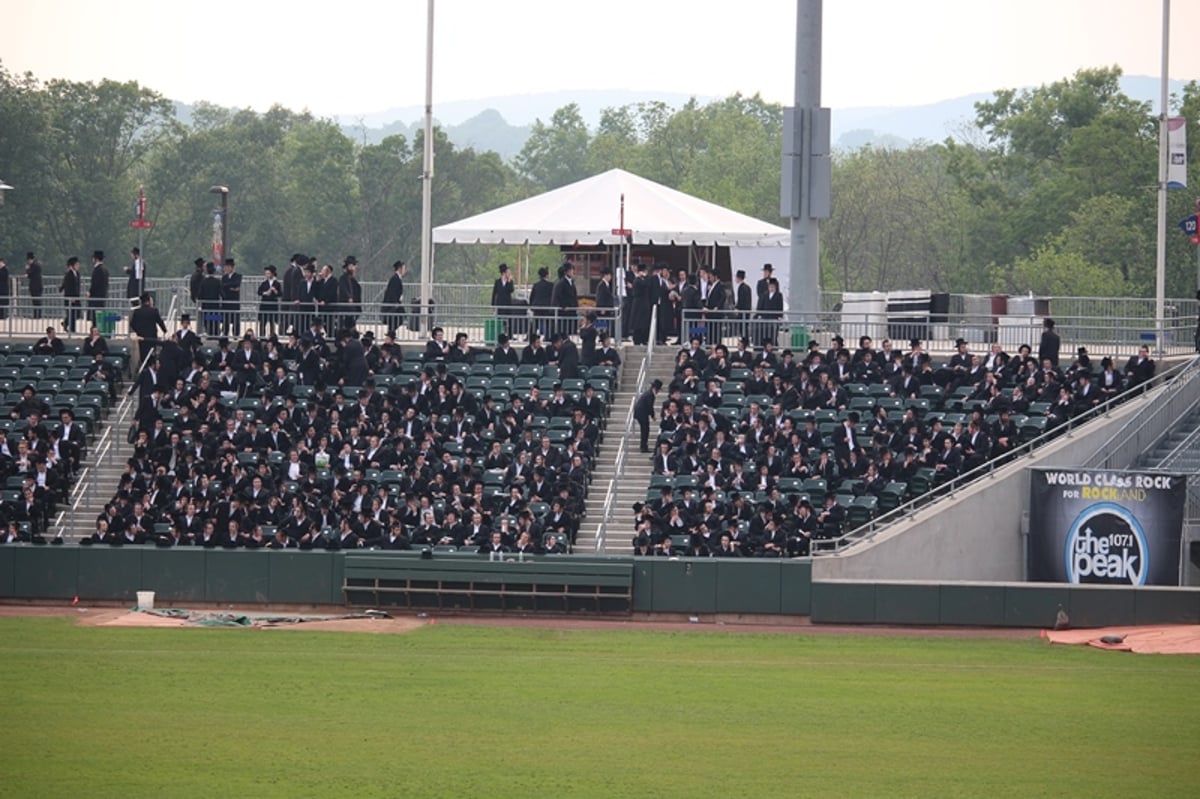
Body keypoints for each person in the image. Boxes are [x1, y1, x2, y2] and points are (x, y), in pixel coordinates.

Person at [130, 292, 167, 369]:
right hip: (152, 337)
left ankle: (144, 368)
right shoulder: (154, 311)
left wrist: (138, 331)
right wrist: (165, 331)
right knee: (151, 354)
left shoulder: (137, 311)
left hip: (141, 337)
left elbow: (132, 323)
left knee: (143, 355)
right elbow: (160, 322)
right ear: (148, 301)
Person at [551, 261, 578, 339]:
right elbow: (558, 297)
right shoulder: (561, 283)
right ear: (567, 271)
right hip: (564, 312)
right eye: (572, 270)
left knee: (571, 331)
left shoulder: (571, 282)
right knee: (564, 331)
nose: (573, 272)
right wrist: (563, 306)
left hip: (572, 311)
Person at [634, 379, 662, 453]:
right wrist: (653, 415)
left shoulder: (648, 393)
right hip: (642, 413)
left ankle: (643, 446)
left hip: (641, 413)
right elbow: (650, 406)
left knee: (645, 429)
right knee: (645, 430)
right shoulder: (650, 395)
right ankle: (643, 446)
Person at [337, 256, 362, 332]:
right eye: (350, 266)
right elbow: (344, 289)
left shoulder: (353, 280)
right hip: (346, 307)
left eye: (353, 266)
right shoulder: (343, 278)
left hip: (353, 307)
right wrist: (349, 298)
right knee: (345, 326)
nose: (352, 268)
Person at [528, 266, 554, 338]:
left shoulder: (536, 285)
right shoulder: (551, 285)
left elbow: (532, 296)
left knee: (535, 323)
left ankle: (530, 336)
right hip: (547, 307)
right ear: (547, 275)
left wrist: (531, 305)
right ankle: (547, 337)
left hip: (537, 306)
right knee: (548, 323)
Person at [199, 262, 223, 336]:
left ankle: (209, 334)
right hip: (215, 307)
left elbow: (199, 295)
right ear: (214, 271)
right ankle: (216, 334)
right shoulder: (218, 282)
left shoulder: (203, 282)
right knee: (215, 322)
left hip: (206, 307)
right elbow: (222, 293)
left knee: (207, 322)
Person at [382, 260, 406, 334]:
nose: (405, 270)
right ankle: (391, 332)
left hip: (396, 302)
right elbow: (392, 292)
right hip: (393, 304)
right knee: (396, 318)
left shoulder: (397, 278)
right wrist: (395, 303)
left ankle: (391, 332)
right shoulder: (395, 278)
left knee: (399, 317)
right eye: (404, 268)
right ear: (399, 268)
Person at [257, 264, 281, 337]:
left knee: (272, 322)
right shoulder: (264, 283)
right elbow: (259, 292)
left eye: (268, 273)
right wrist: (265, 293)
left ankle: (272, 336)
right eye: (266, 273)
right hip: (264, 304)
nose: (267, 275)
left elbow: (280, 294)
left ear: (272, 274)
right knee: (263, 322)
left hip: (273, 304)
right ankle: (262, 336)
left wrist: (275, 291)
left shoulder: (277, 283)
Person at [491, 262, 515, 334]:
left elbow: (511, 290)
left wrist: (509, 281)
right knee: (500, 319)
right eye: (508, 272)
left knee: (509, 320)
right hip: (500, 303)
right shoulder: (497, 282)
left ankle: (509, 334)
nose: (509, 274)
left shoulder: (510, 281)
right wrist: (493, 305)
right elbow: (494, 293)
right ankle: (500, 333)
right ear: (504, 273)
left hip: (508, 303)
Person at [220, 258, 242, 335]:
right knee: (225, 320)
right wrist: (231, 287)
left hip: (234, 301)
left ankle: (236, 334)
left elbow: (236, 284)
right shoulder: (224, 277)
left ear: (232, 267)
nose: (227, 268)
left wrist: (229, 286)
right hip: (226, 300)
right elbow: (222, 286)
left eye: (228, 267)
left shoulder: (238, 276)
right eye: (226, 267)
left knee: (235, 319)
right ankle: (225, 334)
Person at [61, 256, 83, 332]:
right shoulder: (69, 274)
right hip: (70, 297)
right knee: (71, 314)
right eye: (77, 264)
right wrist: (71, 297)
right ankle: (72, 329)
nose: (78, 266)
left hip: (76, 297)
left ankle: (65, 323)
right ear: (72, 265)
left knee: (76, 314)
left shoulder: (77, 274)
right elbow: (68, 287)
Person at [87, 250, 108, 325]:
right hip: (102, 296)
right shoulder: (105, 269)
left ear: (96, 259)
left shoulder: (98, 270)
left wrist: (90, 292)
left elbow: (95, 283)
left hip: (96, 296)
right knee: (100, 315)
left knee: (95, 316)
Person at [24, 252, 43, 318]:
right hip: (35, 286)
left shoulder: (35, 265)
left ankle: (38, 315)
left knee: (37, 301)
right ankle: (36, 315)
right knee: (35, 301)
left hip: (36, 286)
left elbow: (30, 273)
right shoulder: (36, 265)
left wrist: (27, 269)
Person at [0, 255, 10, 320]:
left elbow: (3, 277)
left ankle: (4, 316)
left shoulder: (5, 269)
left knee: (4, 303)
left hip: (3, 289)